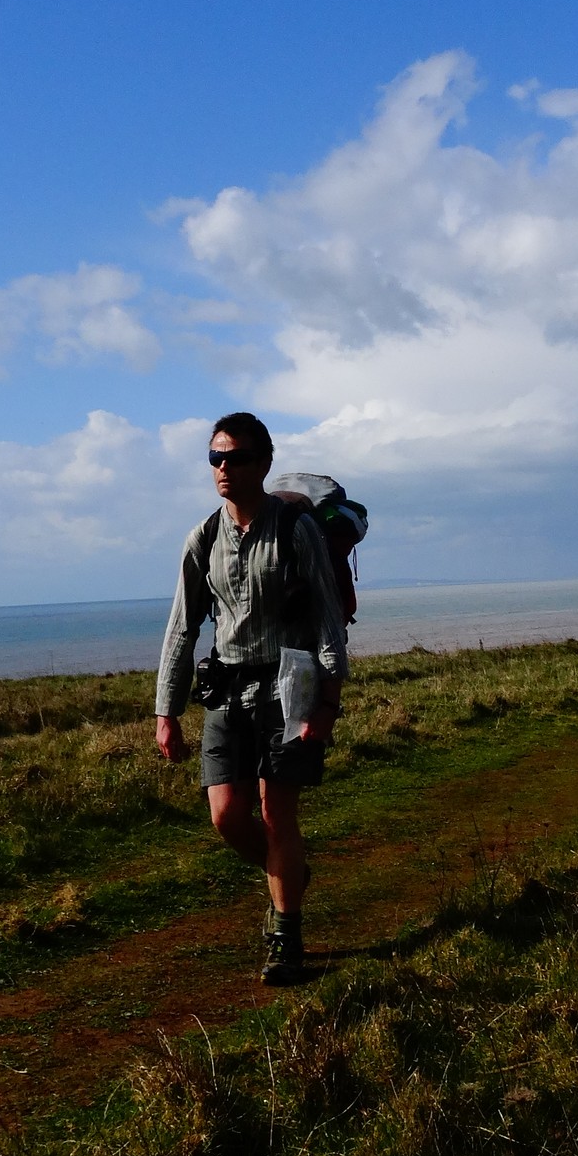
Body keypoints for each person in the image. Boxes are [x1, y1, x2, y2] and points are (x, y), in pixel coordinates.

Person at [155, 412, 347, 983]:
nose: (222, 468)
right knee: (225, 816)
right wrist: (166, 712)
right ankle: (287, 873)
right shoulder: (203, 537)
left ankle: (286, 935)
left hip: (290, 686)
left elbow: (327, 623)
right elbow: (181, 628)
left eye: (234, 457)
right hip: (226, 688)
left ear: (262, 463)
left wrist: (325, 707)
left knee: (274, 810)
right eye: (215, 458)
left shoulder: (296, 529)